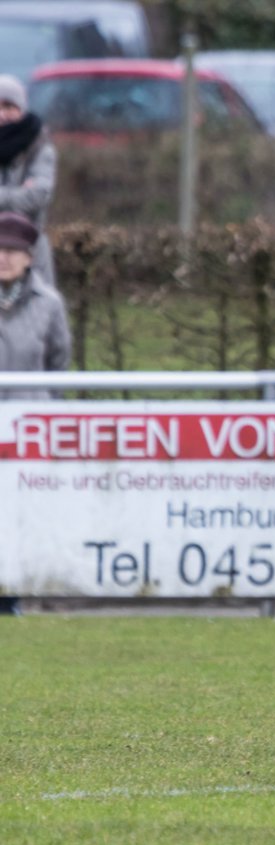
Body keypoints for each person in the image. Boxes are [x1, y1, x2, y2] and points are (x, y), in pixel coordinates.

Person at [0, 210, 70, 616]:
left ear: (29, 257)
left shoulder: (49, 304)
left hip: (28, 434)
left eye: (13, 250)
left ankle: (12, 598)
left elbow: (59, 362)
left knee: (18, 519)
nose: (5, 258)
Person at [0, 75, 57, 289]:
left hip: (29, 248)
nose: (2, 114)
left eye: (9, 105)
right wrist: (18, 194)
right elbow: (26, 197)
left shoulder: (39, 145)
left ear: (21, 108)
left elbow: (39, 196)